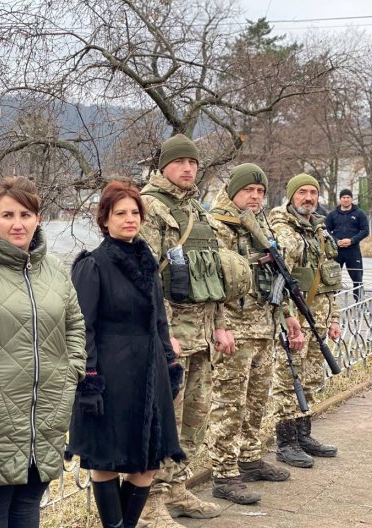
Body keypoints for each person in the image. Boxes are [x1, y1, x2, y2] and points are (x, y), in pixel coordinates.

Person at [0, 176, 86, 528]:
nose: (17, 224)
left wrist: (71, 371)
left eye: (25, 215)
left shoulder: (53, 270)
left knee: (28, 503)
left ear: (38, 218)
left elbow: (74, 324)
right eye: (7, 215)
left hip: (48, 407)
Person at [68, 180, 185, 528]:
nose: (130, 218)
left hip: (150, 372)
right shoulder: (93, 265)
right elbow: (83, 327)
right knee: (105, 461)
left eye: (135, 212)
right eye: (120, 213)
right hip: (111, 373)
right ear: (105, 220)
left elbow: (159, 320)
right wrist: (89, 379)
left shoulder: (148, 263)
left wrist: (170, 363)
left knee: (147, 463)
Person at [138, 134, 234, 528]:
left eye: (193, 162)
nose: (188, 168)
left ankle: (177, 488)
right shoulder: (149, 207)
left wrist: (221, 325)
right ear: (164, 166)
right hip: (172, 337)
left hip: (202, 335)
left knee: (195, 419)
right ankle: (149, 504)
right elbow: (144, 277)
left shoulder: (196, 209)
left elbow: (213, 273)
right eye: (180, 162)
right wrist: (162, 335)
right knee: (164, 420)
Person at [208, 164, 304, 505]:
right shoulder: (217, 225)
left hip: (264, 325)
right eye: (249, 190)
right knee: (228, 403)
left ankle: (249, 457)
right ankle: (223, 473)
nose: (255, 196)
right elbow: (212, 282)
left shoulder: (259, 223)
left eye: (260, 191)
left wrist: (288, 315)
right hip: (234, 329)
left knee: (256, 400)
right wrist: (219, 326)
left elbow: (275, 276)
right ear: (234, 190)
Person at [268, 174, 342, 469]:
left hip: (318, 320)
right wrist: (287, 320)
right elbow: (278, 279)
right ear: (291, 196)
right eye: (302, 192)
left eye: (313, 192)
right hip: (295, 321)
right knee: (288, 381)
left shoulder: (319, 229)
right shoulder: (282, 229)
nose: (308, 198)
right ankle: (286, 443)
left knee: (310, 379)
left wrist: (334, 317)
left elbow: (329, 278)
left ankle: (303, 435)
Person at [325, 188, 369, 302]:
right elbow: (326, 230)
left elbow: (365, 230)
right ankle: (332, 302)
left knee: (357, 278)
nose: (346, 199)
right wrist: (336, 241)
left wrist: (352, 240)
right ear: (340, 199)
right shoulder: (333, 214)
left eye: (348, 197)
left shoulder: (359, 213)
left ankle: (359, 302)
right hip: (336, 250)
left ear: (351, 199)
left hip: (353, 251)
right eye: (343, 197)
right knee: (332, 277)